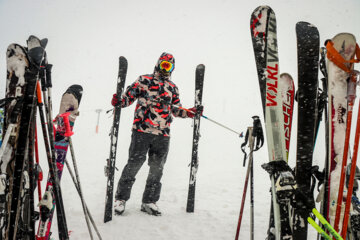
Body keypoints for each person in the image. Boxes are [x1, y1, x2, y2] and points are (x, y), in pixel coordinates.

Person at [111, 52, 203, 216]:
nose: (165, 68)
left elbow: (176, 109)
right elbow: (128, 98)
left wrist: (189, 112)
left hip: (163, 135)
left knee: (157, 169)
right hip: (142, 131)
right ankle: (121, 198)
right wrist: (120, 101)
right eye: (163, 65)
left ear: (172, 68)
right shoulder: (144, 80)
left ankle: (149, 201)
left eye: (168, 66)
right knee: (133, 165)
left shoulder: (172, 88)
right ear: (158, 64)